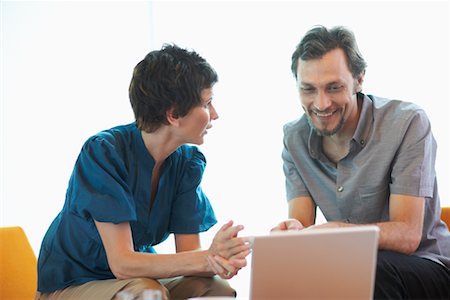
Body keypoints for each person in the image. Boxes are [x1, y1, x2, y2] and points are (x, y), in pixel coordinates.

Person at [36, 44, 250, 300]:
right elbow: (123, 263)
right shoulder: (104, 152)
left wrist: (219, 261)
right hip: (74, 283)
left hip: (132, 281)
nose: (214, 114)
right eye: (207, 104)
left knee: (214, 289)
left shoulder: (186, 163)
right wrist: (207, 258)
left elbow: (191, 259)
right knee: (148, 293)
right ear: (173, 114)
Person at [272, 25, 450, 299]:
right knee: (286, 276)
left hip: (427, 265)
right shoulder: (294, 138)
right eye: (308, 89)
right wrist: (293, 232)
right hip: (353, 265)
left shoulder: (407, 122)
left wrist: (336, 233)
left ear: (358, 80)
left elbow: (407, 235)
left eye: (334, 88)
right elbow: (301, 224)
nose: (321, 103)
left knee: (369, 272)